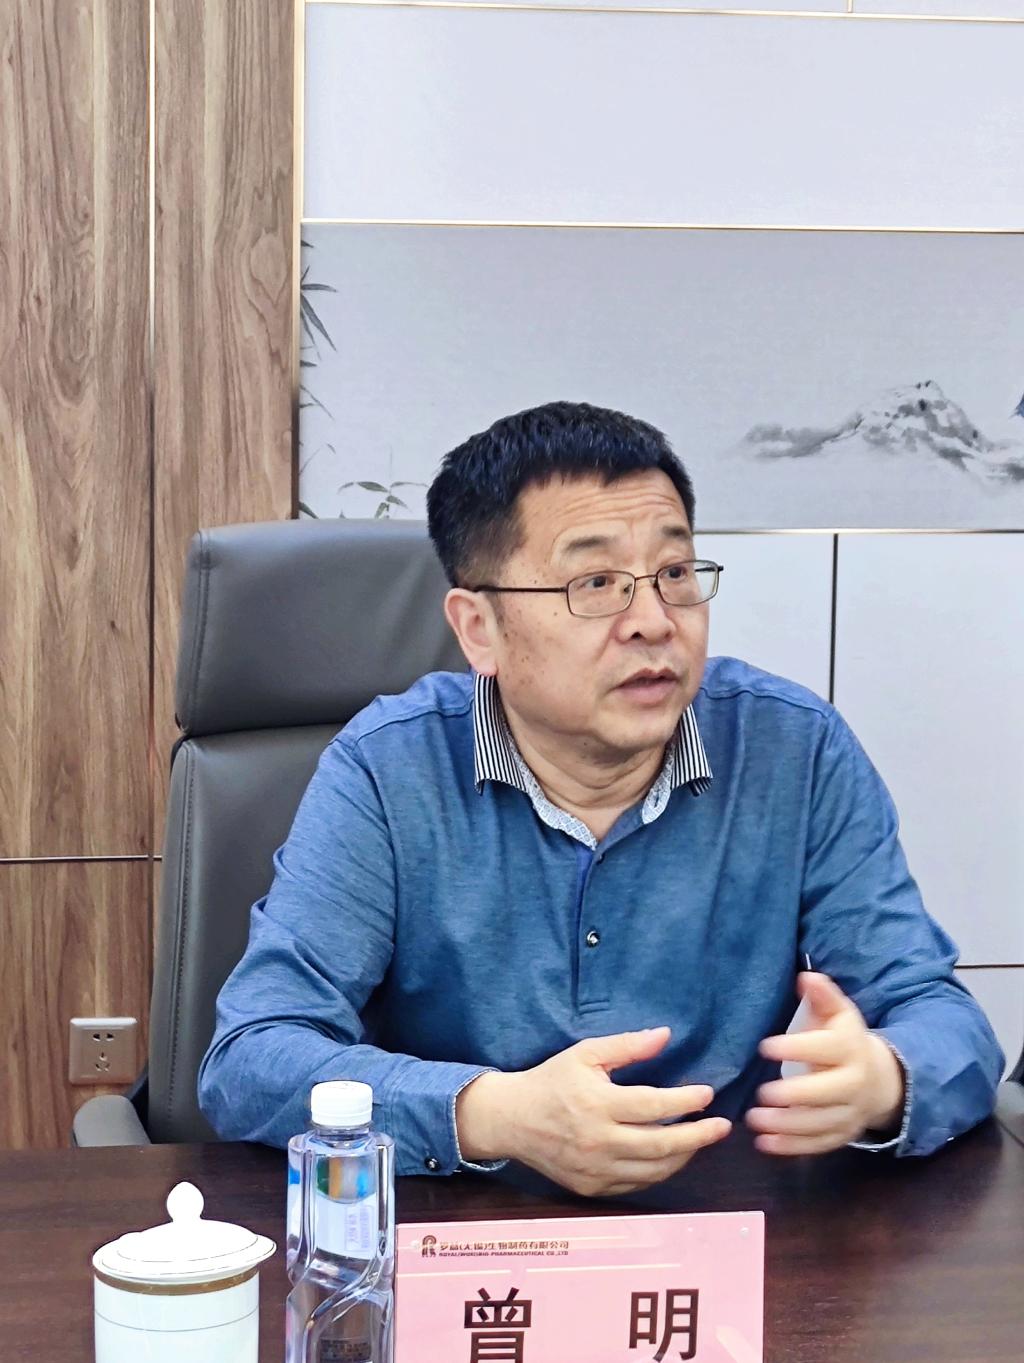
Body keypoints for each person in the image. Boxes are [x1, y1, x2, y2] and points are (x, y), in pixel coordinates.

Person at [198, 401, 1004, 1197]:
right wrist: (494, 1114)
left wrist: (885, 1078)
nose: (654, 621)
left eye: (675, 574)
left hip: (720, 1234)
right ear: (479, 628)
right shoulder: (388, 767)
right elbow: (253, 1057)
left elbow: (945, 1020)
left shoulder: (794, 749)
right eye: (596, 583)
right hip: (466, 1235)